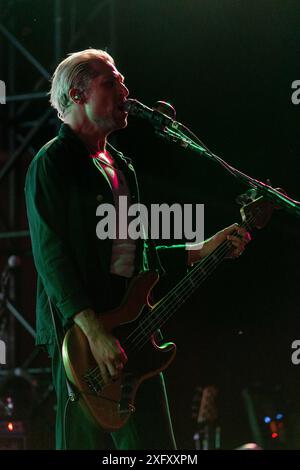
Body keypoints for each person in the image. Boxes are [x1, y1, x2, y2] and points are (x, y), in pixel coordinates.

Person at [25, 49, 250, 450]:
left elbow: (136, 255)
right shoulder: (53, 162)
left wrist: (204, 248)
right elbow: (50, 255)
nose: (126, 91)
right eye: (111, 82)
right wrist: (93, 331)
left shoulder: (121, 167)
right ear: (77, 94)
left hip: (134, 331)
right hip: (82, 340)